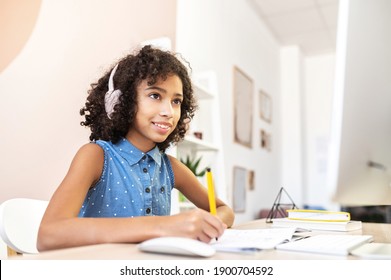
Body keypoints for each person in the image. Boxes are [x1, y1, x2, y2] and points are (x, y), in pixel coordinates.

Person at [37, 45, 234, 251]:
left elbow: (224, 210)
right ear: (122, 101)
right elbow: (48, 234)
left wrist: (209, 222)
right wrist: (162, 225)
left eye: (176, 101)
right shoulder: (95, 156)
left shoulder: (170, 167)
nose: (169, 111)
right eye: (155, 95)